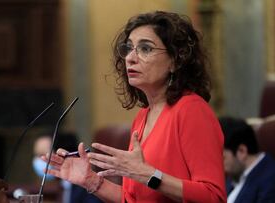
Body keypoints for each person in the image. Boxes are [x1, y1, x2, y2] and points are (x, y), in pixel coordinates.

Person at [43, 10, 226, 202]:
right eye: (129, 48)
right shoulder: (142, 117)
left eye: (145, 49)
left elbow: (213, 196)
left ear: (176, 60)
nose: (130, 57)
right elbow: (135, 199)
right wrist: (91, 181)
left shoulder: (191, 110)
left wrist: (150, 175)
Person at [219, 117, 275, 203]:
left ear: (242, 151)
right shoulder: (233, 176)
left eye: (223, 158)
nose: (219, 165)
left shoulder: (270, 181)